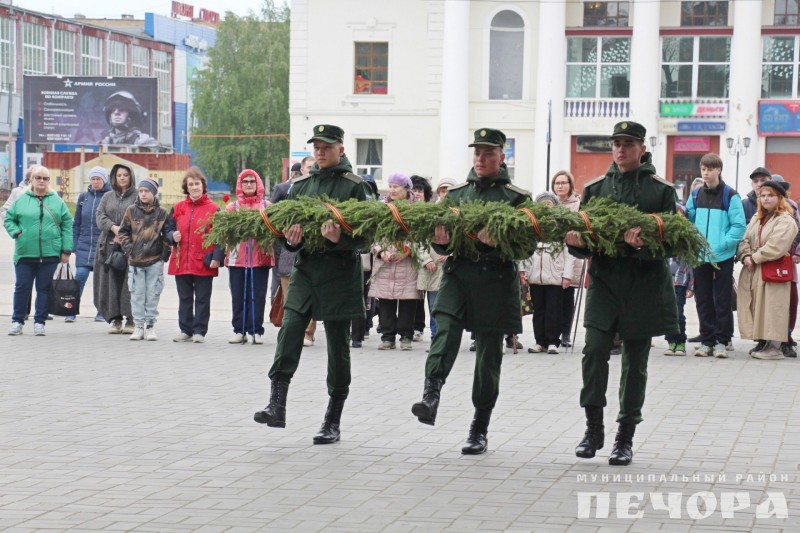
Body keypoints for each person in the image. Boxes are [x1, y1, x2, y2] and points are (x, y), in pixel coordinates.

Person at [411, 127, 530, 455]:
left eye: (488, 152)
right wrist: (441, 240)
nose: (480, 158)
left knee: (489, 355)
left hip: (496, 279)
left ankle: (479, 426)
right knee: (445, 331)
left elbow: (526, 246)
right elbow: (439, 238)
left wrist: (499, 243)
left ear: (502, 156)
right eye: (477, 152)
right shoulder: (457, 195)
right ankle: (430, 395)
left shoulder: (517, 198)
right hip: (460, 273)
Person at [565, 121, 678, 466]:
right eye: (616, 143)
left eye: (628, 143)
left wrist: (645, 246)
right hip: (605, 283)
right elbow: (584, 240)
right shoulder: (596, 189)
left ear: (642, 148)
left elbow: (672, 242)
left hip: (643, 286)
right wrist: (577, 244)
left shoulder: (660, 191)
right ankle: (593, 428)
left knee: (635, 364)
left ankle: (625, 436)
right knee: (594, 351)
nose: (621, 149)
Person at [254, 124, 372, 445]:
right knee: (290, 328)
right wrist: (290, 242)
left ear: (341, 150)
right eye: (316, 147)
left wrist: (339, 239)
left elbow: (367, 238)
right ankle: (276, 404)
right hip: (306, 271)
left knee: (337, 344)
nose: (320, 152)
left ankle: (332, 420)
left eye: (327, 146)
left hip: (339, 275)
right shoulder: (301, 185)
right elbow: (288, 232)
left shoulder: (356, 187)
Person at [686, 153, 745, 358]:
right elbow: (689, 222)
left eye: (710, 169)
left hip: (723, 256)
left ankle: (722, 340)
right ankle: (707, 341)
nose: (706, 173)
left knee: (722, 300)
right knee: (702, 299)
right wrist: (694, 243)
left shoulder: (731, 195)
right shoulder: (695, 195)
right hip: (700, 256)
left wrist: (722, 245)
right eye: (703, 169)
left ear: (719, 170)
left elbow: (739, 226)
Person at [5, 165, 73, 336]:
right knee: (22, 287)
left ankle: (40, 322)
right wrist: (16, 232)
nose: (42, 181)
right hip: (25, 253)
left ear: (48, 181)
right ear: (32, 180)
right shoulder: (21, 199)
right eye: (38, 178)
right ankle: (17, 321)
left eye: (45, 178)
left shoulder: (56, 201)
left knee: (44, 289)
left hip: (50, 254)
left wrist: (66, 249)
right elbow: (9, 219)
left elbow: (67, 225)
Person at [737, 180, 799, 359]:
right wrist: (745, 255)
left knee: (773, 307)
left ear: (779, 198)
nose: (765, 199)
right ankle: (763, 342)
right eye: (762, 195)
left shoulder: (786, 220)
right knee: (759, 305)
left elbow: (777, 245)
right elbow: (744, 239)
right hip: (756, 269)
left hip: (774, 270)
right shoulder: (758, 218)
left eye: (770, 195)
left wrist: (754, 258)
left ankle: (775, 347)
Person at [165, 167, 224, 343]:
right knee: (184, 298)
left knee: (202, 298)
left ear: (203, 185)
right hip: (181, 260)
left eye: (197, 183)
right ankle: (185, 330)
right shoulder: (177, 208)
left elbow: (220, 236)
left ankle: (199, 331)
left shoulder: (214, 209)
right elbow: (167, 229)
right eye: (191, 184)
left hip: (203, 261)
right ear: (186, 187)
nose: (194, 187)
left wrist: (217, 257)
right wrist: (171, 236)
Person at [369, 172, 424, 351]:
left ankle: (406, 337)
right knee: (385, 301)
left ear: (406, 189)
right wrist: (381, 251)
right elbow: (373, 235)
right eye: (390, 186)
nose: (392, 190)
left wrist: (407, 251)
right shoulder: (382, 207)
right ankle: (387, 337)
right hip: (385, 261)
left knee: (408, 301)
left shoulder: (416, 209)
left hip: (407, 262)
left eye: (396, 187)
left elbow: (421, 236)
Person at [117, 177, 169, 341]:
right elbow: (123, 232)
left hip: (155, 260)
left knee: (152, 295)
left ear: (153, 193)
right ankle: (139, 326)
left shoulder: (162, 213)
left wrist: (164, 256)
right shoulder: (131, 211)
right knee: (137, 295)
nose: (143, 194)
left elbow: (167, 234)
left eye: (147, 191)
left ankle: (151, 326)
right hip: (136, 261)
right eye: (141, 191)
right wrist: (129, 249)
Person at [225, 169, 273, 345]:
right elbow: (224, 234)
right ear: (240, 185)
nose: (249, 184)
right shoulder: (233, 208)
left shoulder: (267, 206)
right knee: (238, 295)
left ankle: (256, 330)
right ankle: (239, 330)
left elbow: (274, 231)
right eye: (245, 182)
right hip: (237, 259)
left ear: (258, 183)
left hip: (260, 259)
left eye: (252, 181)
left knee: (257, 295)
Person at [525, 191, 576, 354]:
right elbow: (525, 249)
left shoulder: (561, 225)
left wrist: (567, 275)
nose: (546, 207)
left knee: (554, 309)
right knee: (538, 310)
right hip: (535, 276)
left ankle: (553, 341)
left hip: (555, 276)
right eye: (542, 204)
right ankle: (540, 341)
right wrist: (522, 270)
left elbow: (569, 252)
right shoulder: (533, 225)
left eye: (549, 204)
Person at [95, 163, 138, 334]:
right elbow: (100, 216)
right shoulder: (107, 196)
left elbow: (141, 215)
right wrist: (113, 228)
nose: (122, 178)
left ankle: (131, 319)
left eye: (125, 175)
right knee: (111, 283)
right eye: (119, 175)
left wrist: (125, 232)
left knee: (130, 283)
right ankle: (115, 319)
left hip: (130, 246)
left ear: (131, 177)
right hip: (108, 246)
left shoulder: (137, 195)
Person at [68, 166, 111, 323]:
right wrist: (74, 244)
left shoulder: (109, 196)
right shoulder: (83, 197)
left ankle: (101, 312)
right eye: (93, 178)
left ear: (104, 180)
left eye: (98, 179)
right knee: (79, 276)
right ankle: (70, 309)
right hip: (84, 244)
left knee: (101, 281)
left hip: (103, 245)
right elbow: (76, 223)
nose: (95, 181)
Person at [551, 170, 584, 347]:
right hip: (553, 256)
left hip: (571, 254)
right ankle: (553, 333)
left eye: (564, 183)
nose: (560, 186)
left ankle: (566, 333)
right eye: (557, 183)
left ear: (570, 185)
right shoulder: (549, 204)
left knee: (567, 296)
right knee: (554, 298)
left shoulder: (578, 205)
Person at [770, 175, 800, 357]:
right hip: (766, 261)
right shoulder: (763, 209)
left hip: (787, 260)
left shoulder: (792, 208)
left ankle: (786, 338)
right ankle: (766, 339)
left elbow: (799, 231)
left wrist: (797, 252)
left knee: (791, 300)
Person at [663, 204, 695, 357]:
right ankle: (670, 342)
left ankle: (680, 342)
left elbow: (691, 263)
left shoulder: (687, 237)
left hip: (681, 282)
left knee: (678, 312)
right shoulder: (664, 235)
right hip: (665, 281)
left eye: (680, 214)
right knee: (668, 313)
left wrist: (691, 285)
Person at [411, 175, 434, 341]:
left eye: (420, 190)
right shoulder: (405, 210)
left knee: (432, 297)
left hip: (431, 259)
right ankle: (416, 327)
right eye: (414, 190)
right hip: (410, 260)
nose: (417, 193)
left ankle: (427, 329)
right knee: (415, 297)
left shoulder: (432, 212)